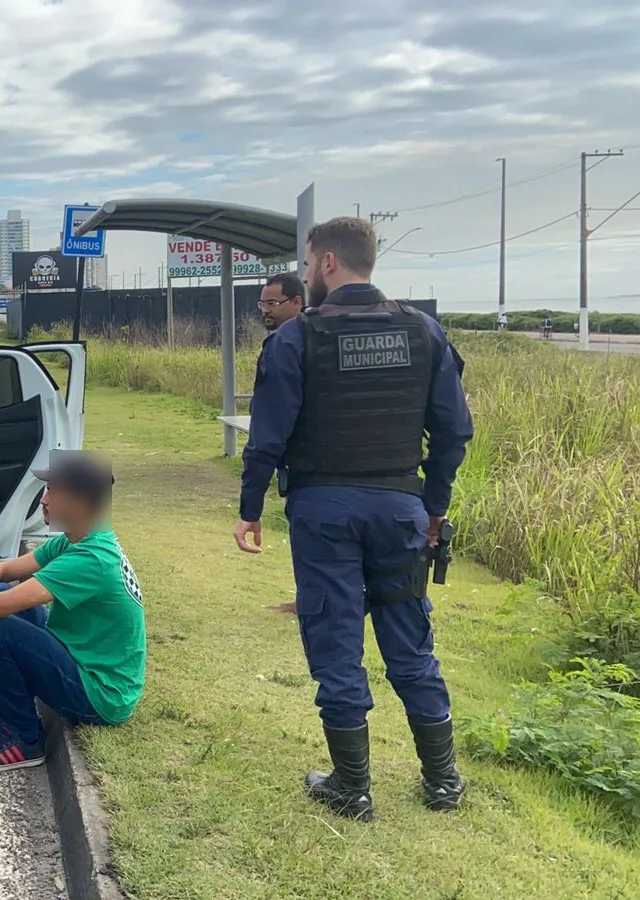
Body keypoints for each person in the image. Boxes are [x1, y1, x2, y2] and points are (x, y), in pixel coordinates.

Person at [232, 216, 475, 823]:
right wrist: (435, 505)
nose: (307, 272)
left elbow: (267, 437)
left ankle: (352, 786)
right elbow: (454, 431)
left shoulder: (296, 339)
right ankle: (443, 781)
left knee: (335, 637)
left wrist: (250, 509)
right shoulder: (423, 332)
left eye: (309, 262)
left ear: (328, 262)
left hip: (324, 512)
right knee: (409, 639)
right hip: (401, 510)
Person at [0, 449, 145, 772]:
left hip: (102, 695)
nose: (44, 500)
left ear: (80, 502)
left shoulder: (91, 559)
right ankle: (15, 710)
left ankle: (23, 738)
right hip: (82, 663)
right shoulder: (76, 540)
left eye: (53, 490)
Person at [255, 273, 307, 615]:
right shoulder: (283, 343)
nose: (265, 311)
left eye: (273, 303)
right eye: (263, 304)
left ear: (297, 302)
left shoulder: (294, 343)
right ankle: (306, 600)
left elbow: (269, 425)